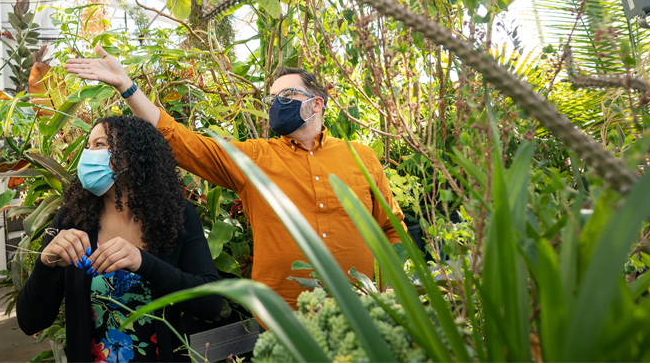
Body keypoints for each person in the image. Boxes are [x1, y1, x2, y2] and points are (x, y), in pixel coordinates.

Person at [65, 46, 405, 308]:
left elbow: (392, 229)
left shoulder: (361, 157)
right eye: (272, 98)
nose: (275, 104)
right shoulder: (256, 157)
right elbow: (181, 141)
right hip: (286, 320)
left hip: (365, 309)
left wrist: (392, 285)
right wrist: (127, 86)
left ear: (316, 105)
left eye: (286, 96)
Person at [16, 116, 222, 362]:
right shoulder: (73, 217)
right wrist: (46, 263)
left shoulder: (176, 215)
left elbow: (211, 304)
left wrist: (143, 262)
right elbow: (30, 321)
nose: (88, 154)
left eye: (99, 144)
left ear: (132, 156)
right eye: (88, 146)